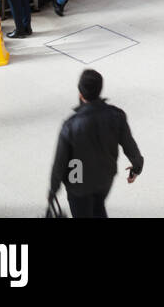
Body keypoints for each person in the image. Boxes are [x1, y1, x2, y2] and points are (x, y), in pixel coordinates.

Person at [49, 69, 143, 217]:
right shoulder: (117, 116)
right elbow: (130, 146)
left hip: (77, 180)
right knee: (98, 205)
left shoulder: (71, 126)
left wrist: (53, 189)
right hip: (105, 177)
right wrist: (137, 167)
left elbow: (59, 163)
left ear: (80, 94)